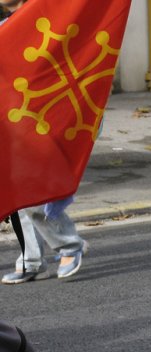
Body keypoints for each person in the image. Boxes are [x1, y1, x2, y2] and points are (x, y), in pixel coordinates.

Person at [1, 0, 88, 284]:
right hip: (12, 122)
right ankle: (31, 260)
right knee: (15, 196)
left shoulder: (51, 23)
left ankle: (69, 246)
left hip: (49, 121)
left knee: (36, 192)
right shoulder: (4, 28)